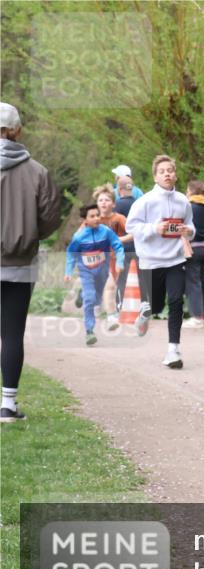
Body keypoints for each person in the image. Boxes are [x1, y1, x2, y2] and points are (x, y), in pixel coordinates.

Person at [0, 102, 62, 422]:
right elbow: (51, 217)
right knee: (11, 334)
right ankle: (8, 404)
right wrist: (30, 233)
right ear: (17, 130)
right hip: (21, 262)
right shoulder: (37, 171)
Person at [125, 154, 195, 368]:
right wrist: (155, 228)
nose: (167, 174)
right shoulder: (145, 201)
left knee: (175, 302)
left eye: (170, 170)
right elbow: (131, 226)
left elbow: (192, 229)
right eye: (162, 171)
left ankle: (173, 350)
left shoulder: (183, 200)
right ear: (155, 177)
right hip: (151, 261)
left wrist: (187, 231)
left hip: (175, 259)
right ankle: (144, 312)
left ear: (175, 175)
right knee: (155, 306)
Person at [64, 203, 125, 345]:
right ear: (84, 220)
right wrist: (68, 272)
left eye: (97, 215)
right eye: (92, 216)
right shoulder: (79, 237)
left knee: (96, 299)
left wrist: (119, 262)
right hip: (86, 271)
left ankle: (82, 294)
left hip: (102, 269)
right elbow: (71, 254)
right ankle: (89, 331)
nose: (97, 218)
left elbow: (118, 245)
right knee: (90, 299)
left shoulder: (106, 231)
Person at [93, 183, 130, 329]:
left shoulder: (119, 218)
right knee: (108, 287)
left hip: (114, 259)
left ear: (113, 203)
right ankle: (111, 315)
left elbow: (134, 233)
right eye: (101, 200)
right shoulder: (92, 219)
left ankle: (106, 312)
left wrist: (118, 240)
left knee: (110, 287)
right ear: (97, 204)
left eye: (107, 200)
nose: (104, 203)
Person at [183, 179, 204, 328]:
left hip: (193, 248)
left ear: (191, 192)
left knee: (193, 282)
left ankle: (197, 316)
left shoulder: (189, 207)